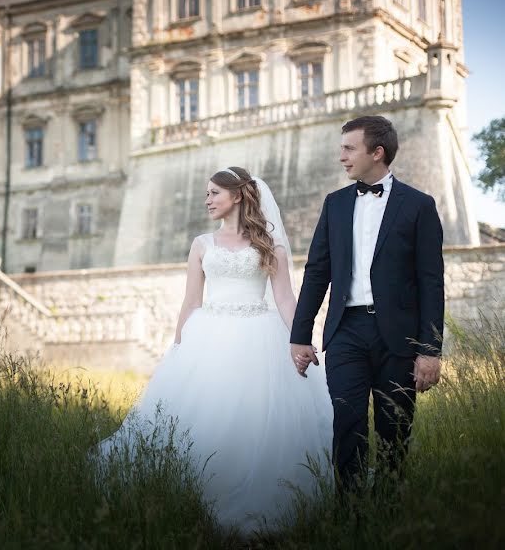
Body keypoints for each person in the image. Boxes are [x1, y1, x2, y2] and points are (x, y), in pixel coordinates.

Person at [95, 166, 333, 534]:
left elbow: (286, 299)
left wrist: (301, 338)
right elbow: (191, 300)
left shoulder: (270, 245)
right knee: (205, 413)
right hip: (209, 336)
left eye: (214, 193)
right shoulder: (201, 245)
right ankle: (196, 491)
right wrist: (178, 346)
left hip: (260, 338)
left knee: (254, 418)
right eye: (206, 194)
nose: (207, 200)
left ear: (237, 195)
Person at [290, 115, 444, 493]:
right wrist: (300, 335)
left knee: (395, 428)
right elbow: (316, 272)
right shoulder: (335, 204)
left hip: (400, 338)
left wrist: (429, 350)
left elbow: (431, 282)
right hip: (345, 332)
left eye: (348, 149)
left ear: (377, 153)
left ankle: (389, 507)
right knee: (347, 422)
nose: (341, 157)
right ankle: (351, 511)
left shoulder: (420, 206)